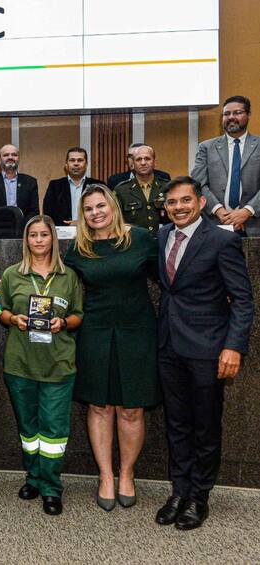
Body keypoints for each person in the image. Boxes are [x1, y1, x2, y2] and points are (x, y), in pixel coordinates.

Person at [154, 176, 253, 530]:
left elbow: (243, 299)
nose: (178, 207)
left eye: (184, 201)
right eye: (172, 202)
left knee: (205, 427)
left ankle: (199, 497)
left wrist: (233, 346)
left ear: (199, 202)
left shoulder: (222, 240)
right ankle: (179, 491)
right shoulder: (163, 235)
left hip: (209, 349)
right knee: (177, 425)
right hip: (168, 345)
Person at [64, 184, 159, 512]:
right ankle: (105, 475)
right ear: (83, 215)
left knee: (132, 408)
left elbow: (170, 279)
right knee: (100, 406)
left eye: (100, 206)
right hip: (95, 332)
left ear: (113, 207)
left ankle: (127, 474)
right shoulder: (78, 249)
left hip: (137, 331)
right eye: (89, 209)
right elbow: (63, 291)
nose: (96, 213)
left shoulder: (141, 240)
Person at [0, 216, 83, 516]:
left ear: (53, 239)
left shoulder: (68, 276)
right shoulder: (12, 274)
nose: (38, 240)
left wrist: (63, 322)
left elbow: (77, 315)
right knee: (29, 428)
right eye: (33, 235)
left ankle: (50, 486)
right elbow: (2, 312)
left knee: (54, 430)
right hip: (20, 363)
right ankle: (33, 477)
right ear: (26, 240)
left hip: (58, 364)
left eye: (44, 235)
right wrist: (13, 319)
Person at [192, 95, 260, 235]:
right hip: (216, 223)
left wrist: (247, 211)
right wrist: (218, 210)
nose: (231, 117)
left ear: (248, 115)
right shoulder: (206, 147)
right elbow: (198, 184)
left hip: (254, 224)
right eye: (226, 114)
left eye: (237, 113)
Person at [0, 144, 39, 230]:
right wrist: (6, 223)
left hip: (23, 232)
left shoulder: (30, 182)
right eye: (6, 155)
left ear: (18, 159)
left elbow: (34, 212)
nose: (10, 157)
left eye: (14, 155)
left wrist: (20, 224)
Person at [114, 145, 169, 235]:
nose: (143, 163)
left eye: (147, 159)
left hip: (163, 241)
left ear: (154, 162)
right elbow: (116, 221)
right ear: (132, 164)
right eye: (138, 159)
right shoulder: (121, 190)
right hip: (135, 243)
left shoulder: (167, 187)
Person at [43, 148, 104, 226]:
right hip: (62, 233)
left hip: (91, 231)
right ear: (66, 164)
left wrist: (82, 223)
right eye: (72, 160)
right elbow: (48, 213)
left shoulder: (98, 185)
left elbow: (103, 212)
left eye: (80, 160)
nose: (76, 163)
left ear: (86, 164)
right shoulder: (55, 186)